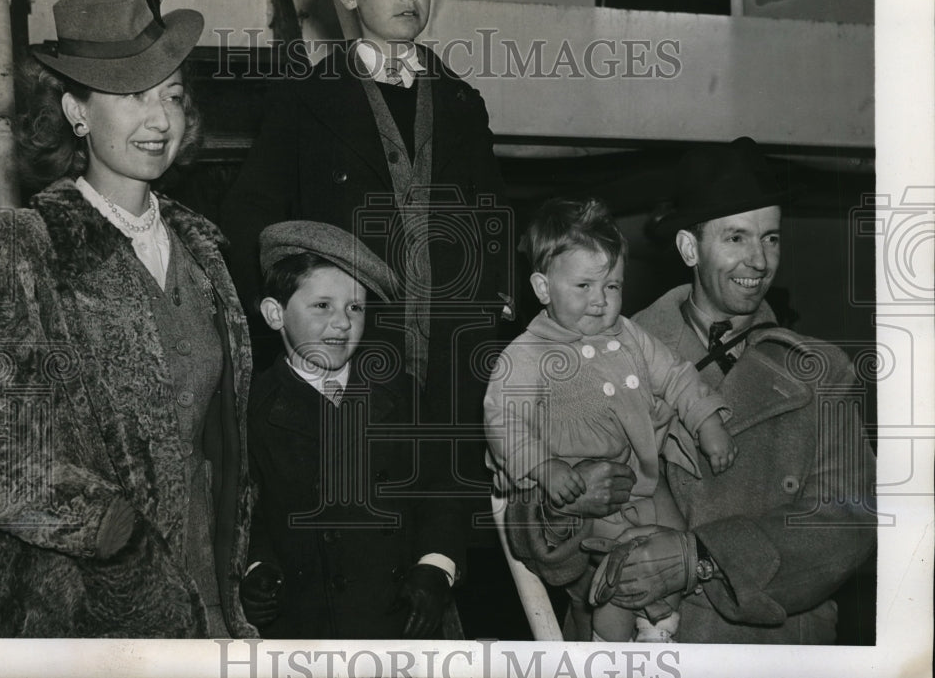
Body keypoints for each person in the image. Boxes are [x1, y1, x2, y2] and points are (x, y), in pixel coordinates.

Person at [0, 0, 258, 638]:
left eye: (172, 94)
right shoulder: (19, 249)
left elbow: (219, 447)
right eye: (130, 95)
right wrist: (110, 533)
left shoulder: (206, 254)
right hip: (84, 616)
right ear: (74, 111)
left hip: (208, 605)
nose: (159, 119)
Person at [219, 0, 511, 494]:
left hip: (454, 375)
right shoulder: (305, 102)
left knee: (445, 526)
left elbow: (493, 223)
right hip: (350, 366)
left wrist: (491, 315)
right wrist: (288, 323)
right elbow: (250, 218)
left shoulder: (462, 103)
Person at [587, 136, 877, 644]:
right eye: (737, 238)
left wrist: (703, 557)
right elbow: (547, 521)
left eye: (771, 238)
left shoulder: (822, 370)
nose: (760, 261)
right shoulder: (608, 355)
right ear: (688, 248)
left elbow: (847, 523)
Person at [485, 197, 735, 642]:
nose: (601, 302)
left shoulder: (631, 336)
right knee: (616, 575)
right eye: (584, 287)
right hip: (585, 497)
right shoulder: (526, 354)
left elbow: (677, 376)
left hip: (642, 481)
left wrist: (707, 420)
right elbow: (504, 421)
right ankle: (610, 649)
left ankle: (659, 630)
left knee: (677, 543)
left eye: (613, 287)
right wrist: (545, 468)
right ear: (543, 288)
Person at [240, 221, 465, 638]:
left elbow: (441, 490)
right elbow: (243, 512)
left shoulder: (398, 393)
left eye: (355, 308)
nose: (343, 323)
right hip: (306, 624)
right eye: (322, 306)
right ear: (275, 314)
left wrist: (436, 567)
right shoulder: (252, 406)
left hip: (402, 617)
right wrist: (256, 568)